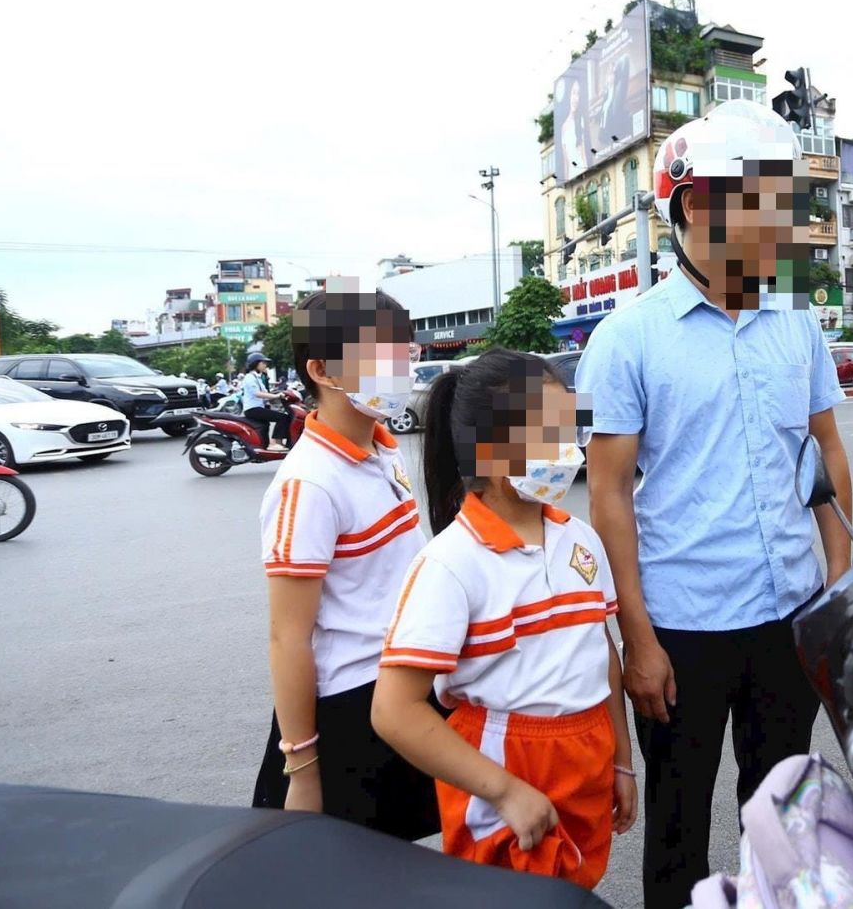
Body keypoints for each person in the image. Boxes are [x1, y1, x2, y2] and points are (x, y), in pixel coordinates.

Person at [578, 99, 853, 908]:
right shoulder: (627, 338)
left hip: (788, 620)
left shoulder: (796, 325)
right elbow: (608, 496)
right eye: (767, 198)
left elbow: (826, 451)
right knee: (677, 831)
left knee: (783, 819)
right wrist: (638, 641)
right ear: (697, 205)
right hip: (683, 628)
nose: (786, 221)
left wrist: (835, 579)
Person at [372, 350, 635, 890]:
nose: (566, 453)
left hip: (588, 754)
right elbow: (394, 710)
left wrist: (622, 760)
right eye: (546, 435)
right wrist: (503, 791)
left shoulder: (580, 541)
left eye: (568, 432)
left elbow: (599, 651)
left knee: (576, 890)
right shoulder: (450, 564)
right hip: (506, 761)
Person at [251, 284, 439, 840]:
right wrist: (304, 770)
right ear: (322, 370)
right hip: (348, 712)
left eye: (403, 350)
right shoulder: (308, 483)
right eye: (378, 355)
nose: (400, 366)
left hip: (405, 687)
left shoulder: (383, 446)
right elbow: (289, 637)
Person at [242, 356, 295, 451]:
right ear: (255, 364)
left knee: (268, 424)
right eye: (263, 363)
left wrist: (281, 392)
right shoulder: (249, 377)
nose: (265, 365)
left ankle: (272, 444)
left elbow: (266, 392)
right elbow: (257, 393)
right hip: (252, 409)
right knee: (282, 417)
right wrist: (276, 396)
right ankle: (275, 443)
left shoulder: (258, 377)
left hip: (258, 407)